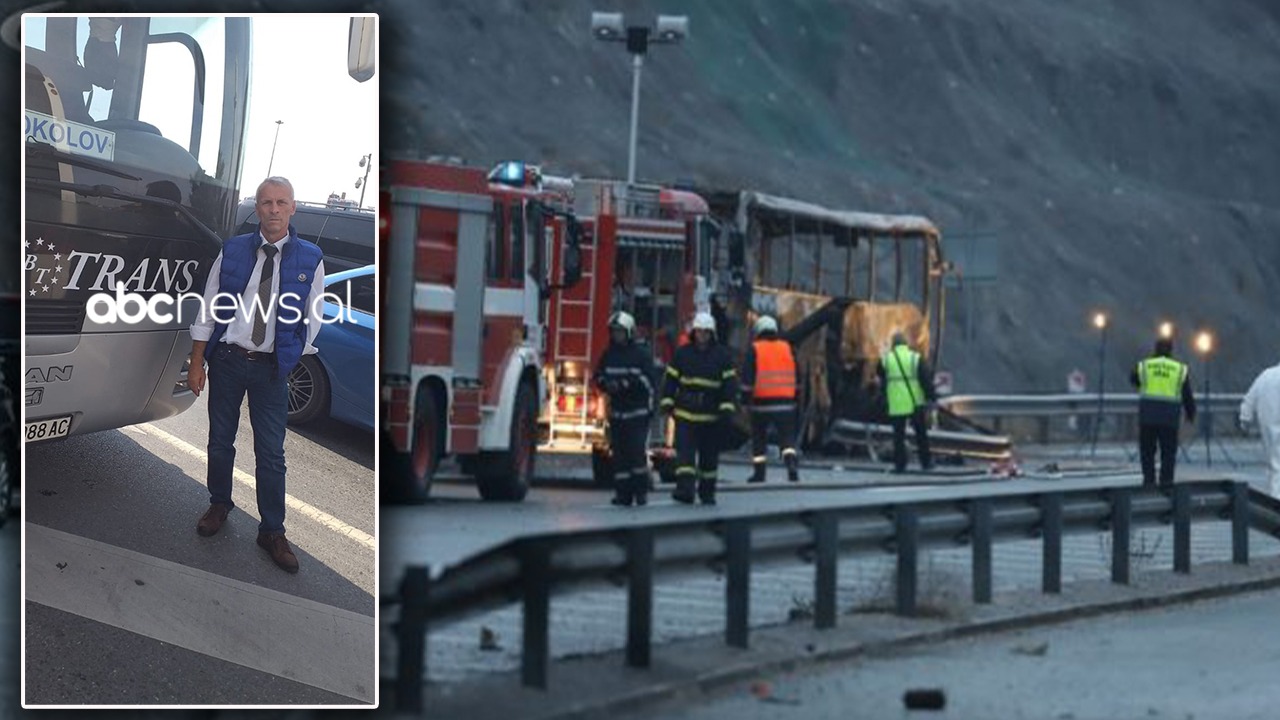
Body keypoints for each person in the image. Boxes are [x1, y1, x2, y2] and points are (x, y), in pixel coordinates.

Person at [187, 176, 326, 574]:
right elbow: (209, 307)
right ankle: (219, 504)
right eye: (267, 202)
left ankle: (272, 530)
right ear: (258, 208)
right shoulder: (231, 251)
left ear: (293, 208)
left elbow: (312, 319)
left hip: (270, 372)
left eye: (282, 202)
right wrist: (197, 361)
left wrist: (287, 355)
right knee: (219, 441)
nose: (274, 210)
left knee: (271, 454)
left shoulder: (311, 258)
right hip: (229, 362)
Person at [660, 312, 738, 505]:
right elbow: (670, 380)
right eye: (699, 332)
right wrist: (667, 402)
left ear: (712, 333)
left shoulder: (722, 356)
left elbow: (729, 386)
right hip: (685, 415)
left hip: (711, 418)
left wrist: (726, 409)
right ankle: (685, 490)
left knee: (708, 460)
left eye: (706, 332)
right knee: (685, 458)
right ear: (694, 332)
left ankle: (707, 492)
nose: (702, 336)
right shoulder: (682, 354)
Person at [594, 311, 657, 506]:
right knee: (619, 456)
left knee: (636, 453)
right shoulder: (609, 354)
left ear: (629, 332)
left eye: (620, 332)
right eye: (614, 332)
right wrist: (606, 384)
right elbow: (598, 376)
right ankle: (623, 494)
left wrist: (624, 385)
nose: (617, 336)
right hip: (618, 413)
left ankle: (640, 493)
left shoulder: (641, 355)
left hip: (637, 413)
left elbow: (649, 382)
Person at [1129, 337, 1196, 487]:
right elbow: (1187, 394)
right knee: (1168, 453)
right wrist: (1190, 414)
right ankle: (1166, 483)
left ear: (1155, 349)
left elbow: (1133, 379)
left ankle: (1149, 481)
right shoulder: (1179, 369)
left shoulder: (1145, 365)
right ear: (1171, 350)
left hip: (1147, 417)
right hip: (1169, 418)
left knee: (1147, 452)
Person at [741, 315, 800, 483]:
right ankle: (791, 465)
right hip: (786, 404)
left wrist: (745, 401)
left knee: (759, 439)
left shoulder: (755, 349)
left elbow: (748, 378)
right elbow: (798, 375)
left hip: (762, 404)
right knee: (788, 440)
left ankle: (759, 473)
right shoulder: (787, 347)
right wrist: (796, 398)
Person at [877, 332, 935, 473]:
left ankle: (900, 465)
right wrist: (931, 396)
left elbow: (879, 373)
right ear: (906, 344)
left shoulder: (887, 359)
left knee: (898, 436)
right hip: (915, 402)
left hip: (896, 403)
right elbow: (925, 379)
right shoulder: (915, 358)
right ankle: (926, 462)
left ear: (893, 345)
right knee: (921, 434)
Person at [1240, 362, 1280, 498]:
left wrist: (1245, 420)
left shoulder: (1266, 375)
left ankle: (1275, 502)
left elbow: (1249, 399)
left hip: (1269, 428)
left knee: (1275, 467)